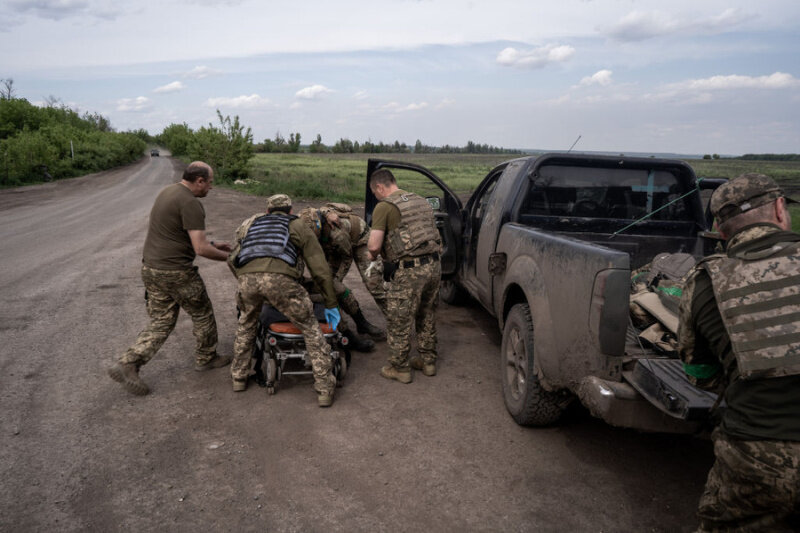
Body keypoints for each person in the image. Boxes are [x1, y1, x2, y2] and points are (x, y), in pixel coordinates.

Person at [677, 173, 800, 531]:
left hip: (758, 454)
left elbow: (698, 371)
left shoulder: (705, 281)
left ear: (720, 229)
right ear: (780, 208)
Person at [109, 161, 232, 396]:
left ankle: (129, 363)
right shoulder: (190, 203)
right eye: (210, 182)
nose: (211, 188)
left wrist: (215, 243)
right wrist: (231, 258)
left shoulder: (168, 192)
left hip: (152, 269)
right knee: (202, 313)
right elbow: (201, 249)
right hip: (176, 272)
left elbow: (176, 234)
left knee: (162, 321)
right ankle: (206, 358)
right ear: (199, 181)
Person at [228, 194, 341, 407]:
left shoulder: (252, 223)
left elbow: (232, 258)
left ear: (268, 210)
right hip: (281, 281)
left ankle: (238, 378)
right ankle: (325, 389)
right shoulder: (297, 224)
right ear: (290, 210)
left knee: (247, 324)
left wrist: (248, 283)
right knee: (310, 328)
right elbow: (321, 270)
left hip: (247, 279)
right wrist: (331, 303)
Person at [367, 169, 441, 383]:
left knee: (399, 318)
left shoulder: (385, 206)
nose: (376, 196)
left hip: (410, 269)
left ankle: (399, 367)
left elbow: (373, 245)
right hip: (434, 266)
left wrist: (372, 256)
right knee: (426, 313)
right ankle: (428, 361)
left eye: (375, 192)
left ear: (380, 187)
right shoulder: (419, 200)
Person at [298, 204, 386, 345]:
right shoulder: (305, 219)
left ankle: (376, 323)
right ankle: (346, 324)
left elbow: (346, 257)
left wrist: (337, 279)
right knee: (330, 286)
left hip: (358, 242)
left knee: (373, 285)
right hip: (330, 248)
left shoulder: (337, 235)